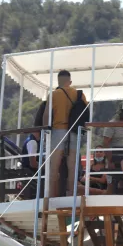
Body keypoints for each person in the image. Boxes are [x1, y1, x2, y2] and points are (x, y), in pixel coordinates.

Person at [42, 70, 83, 198]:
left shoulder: (53, 95)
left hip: (58, 130)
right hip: (74, 131)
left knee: (53, 167)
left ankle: (51, 197)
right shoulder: (79, 94)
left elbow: (46, 116)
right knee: (72, 167)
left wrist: (45, 132)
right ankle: (71, 196)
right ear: (70, 82)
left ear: (58, 82)